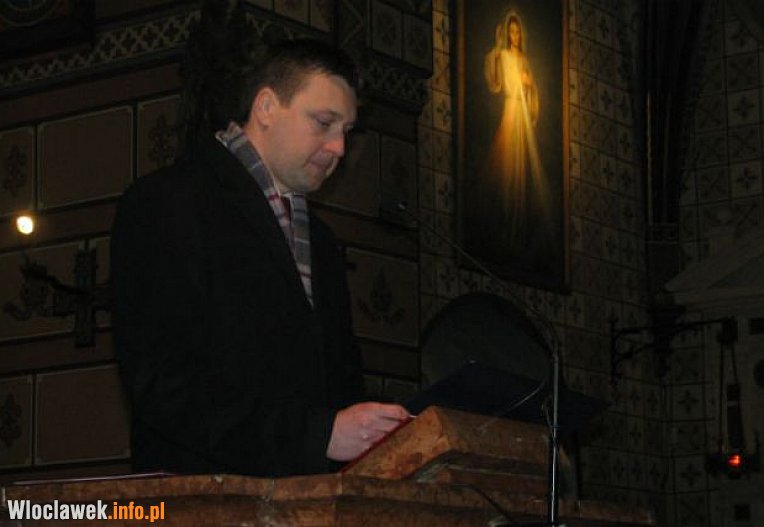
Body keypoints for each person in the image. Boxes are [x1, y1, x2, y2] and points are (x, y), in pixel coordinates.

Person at [110, 36, 409, 477]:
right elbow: (163, 385)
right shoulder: (169, 203)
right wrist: (317, 437)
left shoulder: (321, 240)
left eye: (345, 130)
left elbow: (338, 383)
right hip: (201, 496)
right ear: (266, 107)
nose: (339, 149)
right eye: (324, 122)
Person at [480, 12, 550, 248]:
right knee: (507, 163)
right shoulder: (504, 55)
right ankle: (504, 216)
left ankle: (518, 222)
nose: (515, 35)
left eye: (517, 31)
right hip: (511, 110)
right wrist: (497, 45)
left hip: (522, 115)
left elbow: (532, 90)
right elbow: (494, 79)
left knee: (521, 168)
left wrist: (529, 86)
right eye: (511, 31)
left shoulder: (524, 60)